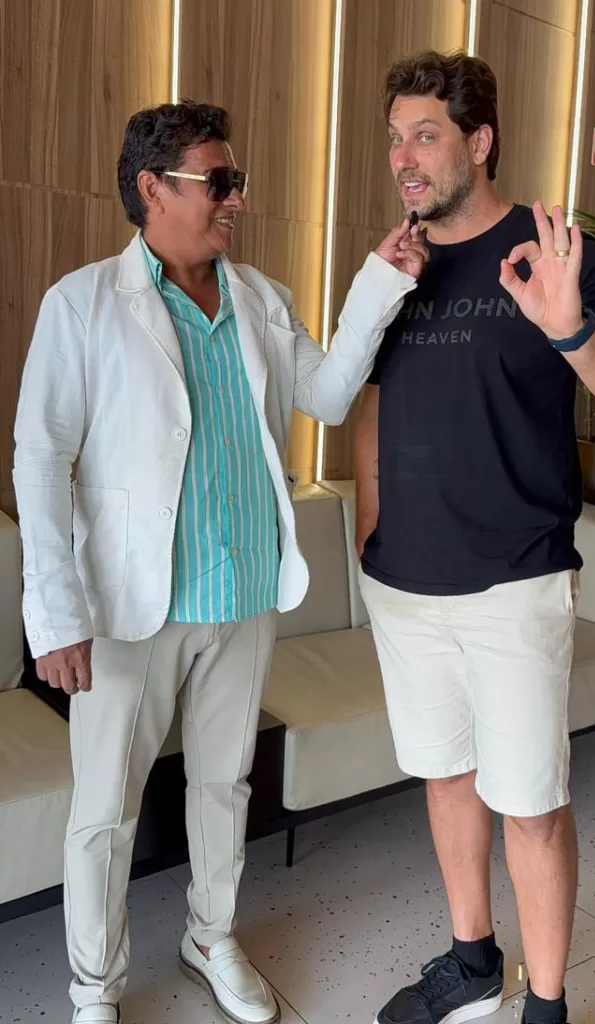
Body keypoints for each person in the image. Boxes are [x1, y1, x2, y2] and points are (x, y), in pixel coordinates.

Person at [13, 100, 428, 1024]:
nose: (236, 199)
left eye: (236, 181)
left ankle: (210, 934)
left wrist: (379, 282)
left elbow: (327, 395)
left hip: (245, 591)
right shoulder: (83, 303)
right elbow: (39, 459)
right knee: (105, 809)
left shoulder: (261, 298)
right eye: (220, 181)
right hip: (130, 606)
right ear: (152, 188)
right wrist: (56, 615)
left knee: (223, 784)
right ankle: (95, 987)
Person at [355, 51, 595, 1024]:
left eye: (425, 136)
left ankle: (547, 1005)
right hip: (404, 584)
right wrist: (370, 527)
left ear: (479, 140)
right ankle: (471, 961)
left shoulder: (552, 250)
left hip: (512, 585)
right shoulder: (396, 262)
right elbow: (372, 399)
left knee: (529, 804)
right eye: (396, 138)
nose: (404, 158)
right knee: (446, 777)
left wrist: (571, 331)